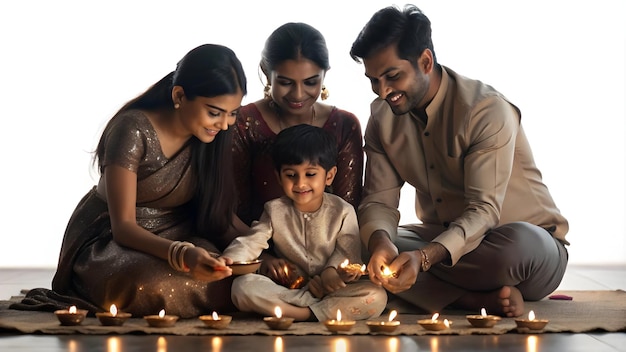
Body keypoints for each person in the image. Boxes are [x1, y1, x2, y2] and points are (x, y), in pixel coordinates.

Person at [349, 4, 569, 317]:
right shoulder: (382, 117)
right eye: (373, 80)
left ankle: (428, 292)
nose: (383, 91)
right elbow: (379, 202)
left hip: (519, 248)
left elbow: (484, 212)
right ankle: (473, 301)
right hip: (443, 239)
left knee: (517, 250)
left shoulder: (484, 110)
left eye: (392, 76)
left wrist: (423, 259)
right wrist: (381, 243)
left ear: (425, 61)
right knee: (351, 244)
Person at [11, 44, 248, 318]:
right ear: (180, 95)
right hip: (112, 241)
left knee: (225, 273)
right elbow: (123, 227)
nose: (225, 124)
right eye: (215, 112)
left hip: (177, 234)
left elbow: (221, 217)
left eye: (233, 113)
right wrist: (182, 255)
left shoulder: (211, 138)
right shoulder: (132, 129)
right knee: (153, 285)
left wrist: (268, 252)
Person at [223, 124, 386, 322]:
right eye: (291, 175)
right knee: (242, 287)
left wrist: (330, 272)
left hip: (333, 289)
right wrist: (229, 260)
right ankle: (312, 313)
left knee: (376, 296)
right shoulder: (274, 210)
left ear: (329, 176)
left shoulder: (342, 211)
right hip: (291, 288)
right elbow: (252, 241)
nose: (300, 183)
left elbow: (348, 252)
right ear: (279, 176)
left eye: (310, 174)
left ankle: (301, 313)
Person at [233, 22, 364, 228]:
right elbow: (229, 212)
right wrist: (259, 255)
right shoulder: (244, 123)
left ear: (324, 74)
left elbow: (347, 214)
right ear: (267, 73)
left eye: (311, 82)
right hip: (254, 247)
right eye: (285, 83)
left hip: (329, 249)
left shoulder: (344, 126)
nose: (298, 94)